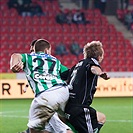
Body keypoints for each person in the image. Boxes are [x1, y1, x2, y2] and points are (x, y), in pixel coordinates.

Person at [10, 39, 71, 133]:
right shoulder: (55, 60)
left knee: (34, 129)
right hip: (64, 92)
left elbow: (15, 55)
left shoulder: (29, 58)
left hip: (47, 96)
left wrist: (14, 64)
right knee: (57, 122)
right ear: (47, 50)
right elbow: (69, 74)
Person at [65, 41, 110, 133]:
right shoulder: (92, 62)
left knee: (101, 117)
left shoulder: (77, 65)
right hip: (80, 109)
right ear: (99, 56)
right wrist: (100, 73)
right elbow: (93, 68)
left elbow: (66, 78)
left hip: (68, 107)